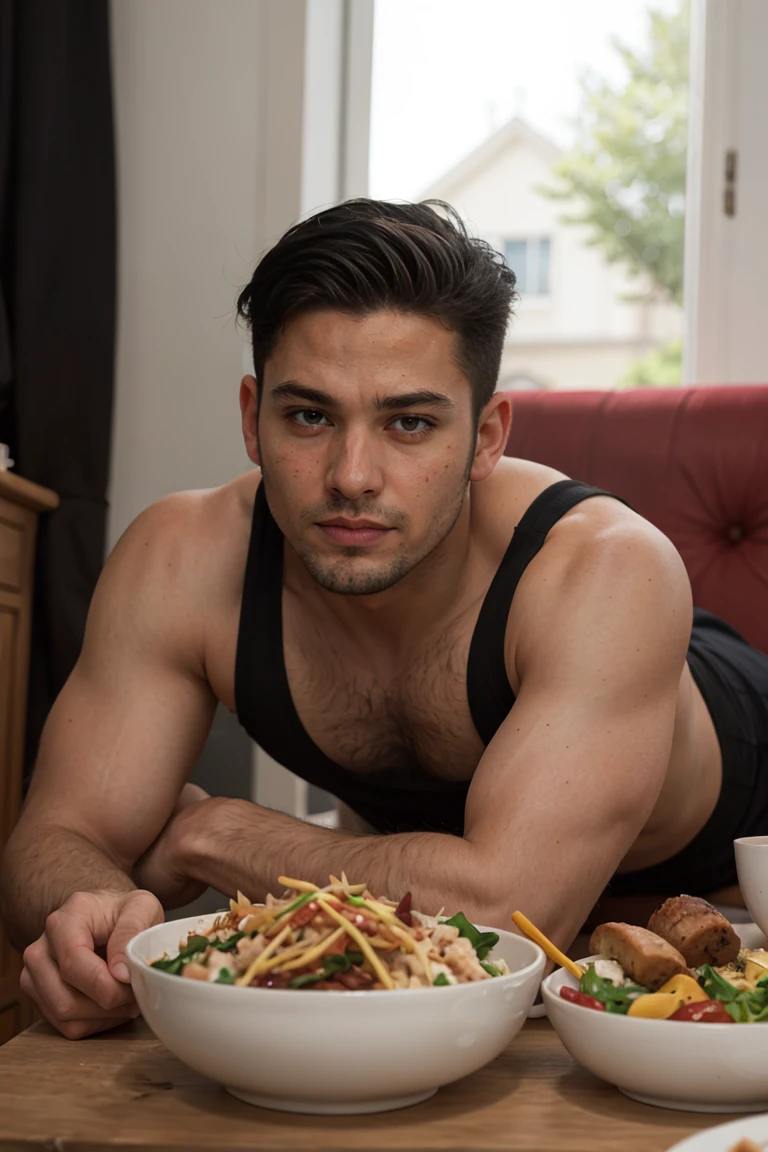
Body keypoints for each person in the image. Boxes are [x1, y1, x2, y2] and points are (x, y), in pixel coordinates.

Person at [2, 199, 767, 1040]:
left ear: (486, 436)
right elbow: (54, 837)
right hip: (460, 848)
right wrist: (90, 912)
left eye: (409, 422)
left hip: (711, 849)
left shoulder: (607, 567)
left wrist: (211, 832)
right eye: (309, 416)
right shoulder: (182, 558)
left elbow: (504, 915)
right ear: (252, 417)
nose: (353, 475)